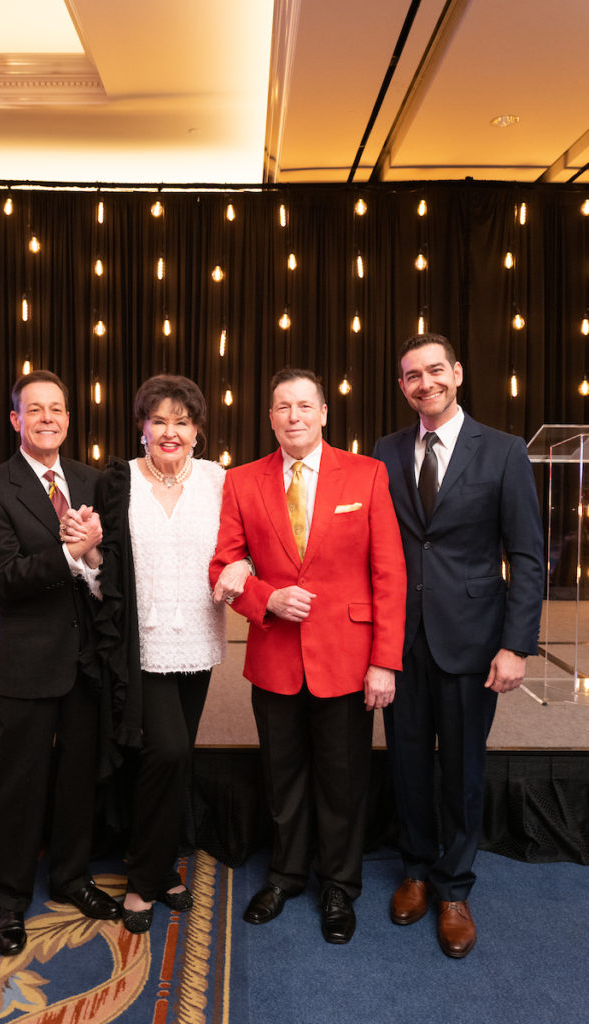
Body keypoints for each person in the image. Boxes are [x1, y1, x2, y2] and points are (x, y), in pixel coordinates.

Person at [209, 368, 406, 944]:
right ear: (269, 417)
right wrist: (267, 597)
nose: (293, 416)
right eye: (281, 407)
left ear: (323, 413)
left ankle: (340, 885)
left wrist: (384, 660)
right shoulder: (242, 482)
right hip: (274, 655)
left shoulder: (367, 475)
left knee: (343, 781)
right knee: (282, 776)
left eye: (303, 405)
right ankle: (286, 874)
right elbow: (223, 568)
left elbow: (389, 574)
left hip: (350, 658)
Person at [372, 333, 544, 958]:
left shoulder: (502, 452)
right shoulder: (384, 452)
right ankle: (416, 871)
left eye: (435, 371)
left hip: (475, 640)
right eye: (413, 375)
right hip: (401, 638)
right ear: (403, 387)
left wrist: (517, 645)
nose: (426, 383)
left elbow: (526, 557)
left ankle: (453, 886)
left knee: (465, 766)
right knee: (408, 761)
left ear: (458, 373)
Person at [64, 374, 250, 935]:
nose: (171, 432)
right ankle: (146, 880)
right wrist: (91, 555)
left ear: (197, 431)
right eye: (160, 420)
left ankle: (160, 861)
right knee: (165, 752)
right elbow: (104, 573)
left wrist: (245, 569)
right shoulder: (117, 483)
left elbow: (242, 548)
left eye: (183, 422)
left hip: (199, 640)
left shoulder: (220, 481)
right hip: (139, 646)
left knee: (173, 756)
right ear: (142, 427)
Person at [0, 370, 120, 958]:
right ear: (16, 421)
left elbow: (112, 568)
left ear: (68, 418)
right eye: (36, 410)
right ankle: (9, 898)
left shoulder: (90, 480)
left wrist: (98, 554)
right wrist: (68, 553)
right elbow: (4, 577)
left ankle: (71, 877)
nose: (48, 418)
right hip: (28, 665)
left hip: (86, 663)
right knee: (20, 784)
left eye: (57, 409)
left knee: (78, 778)